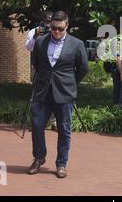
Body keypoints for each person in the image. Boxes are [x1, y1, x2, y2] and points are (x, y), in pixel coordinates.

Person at [28, 11, 89, 178]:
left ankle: (61, 163)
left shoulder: (76, 44)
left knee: (63, 129)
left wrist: (70, 83)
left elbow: (83, 68)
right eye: (53, 28)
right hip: (43, 91)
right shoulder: (40, 42)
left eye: (60, 29)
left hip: (64, 92)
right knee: (37, 125)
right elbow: (37, 64)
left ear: (67, 26)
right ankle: (39, 157)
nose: (56, 32)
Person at [25, 9, 58, 131]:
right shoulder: (34, 31)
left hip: (54, 68)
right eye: (46, 21)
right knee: (37, 95)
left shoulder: (56, 31)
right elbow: (29, 47)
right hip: (38, 66)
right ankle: (36, 123)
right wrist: (35, 37)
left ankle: (55, 123)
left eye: (50, 21)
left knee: (55, 94)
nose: (48, 24)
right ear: (42, 20)